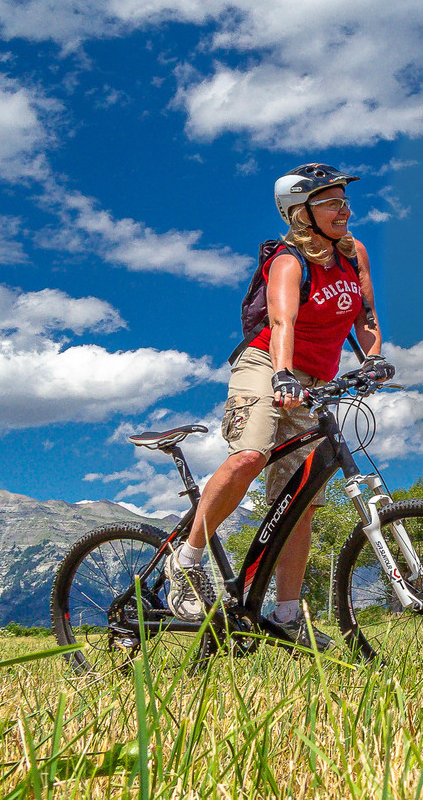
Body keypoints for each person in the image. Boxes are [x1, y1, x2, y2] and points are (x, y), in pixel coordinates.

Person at [164, 163, 394, 646]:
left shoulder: (354, 253)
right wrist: (283, 374)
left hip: (315, 380)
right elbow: (281, 322)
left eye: (344, 201)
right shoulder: (289, 260)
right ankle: (185, 560)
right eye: (332, 203)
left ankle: (288, 617)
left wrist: (373, 358)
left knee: (300, 502)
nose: (344, 210)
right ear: (301, 212)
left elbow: (366, 316)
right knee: (250, 455)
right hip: (267, 364)